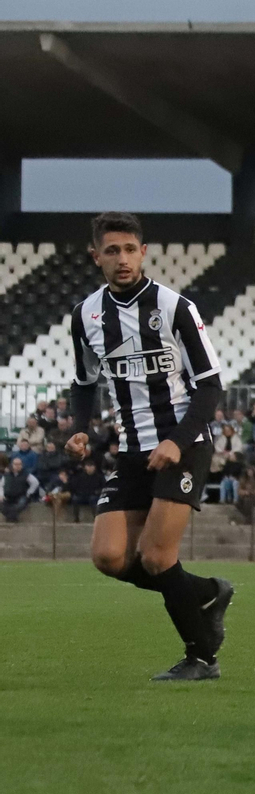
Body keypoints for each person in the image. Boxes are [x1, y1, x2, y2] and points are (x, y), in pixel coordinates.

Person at [66, 212, 232, 682]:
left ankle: (201, 658)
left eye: (130, 249)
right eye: (112, 250)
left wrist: (176, 441)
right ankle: (204, 591)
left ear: (144, 251)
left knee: (157, 556)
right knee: (110, 557)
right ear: (95, 255)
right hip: (131, 450)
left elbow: (210, 386)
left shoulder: (175, 307)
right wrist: (81, 427)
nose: (123, 259)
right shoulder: (86, 316)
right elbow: (83, 383)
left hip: (185, 444)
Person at [1, 457, 39, 522]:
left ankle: (10, 518)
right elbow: (1, 485)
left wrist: (29, 492)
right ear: (12, 465)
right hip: (8, 496)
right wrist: (1, 495)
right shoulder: (6, 475)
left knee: (21, 505)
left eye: (19, 464)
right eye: (15, 464)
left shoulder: (26, 474)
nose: (17, 466)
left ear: (22, 465)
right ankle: (12, 517)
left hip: (21, 496)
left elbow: (35, 482)